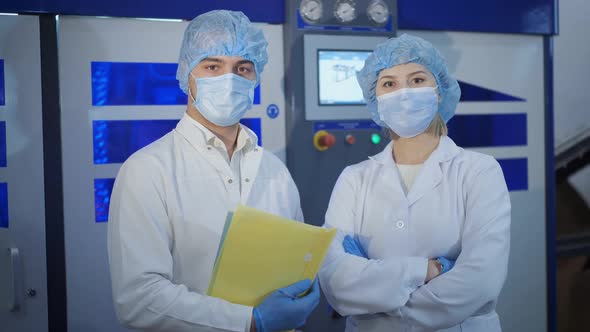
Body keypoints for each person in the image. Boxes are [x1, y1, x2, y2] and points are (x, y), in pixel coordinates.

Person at [108, 10, 319, 332]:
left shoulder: (274, 170)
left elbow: (293, 266)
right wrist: (251, 321)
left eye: (243, 68)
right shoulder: (148, 170)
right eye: (212, 66)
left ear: (255, 78)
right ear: (187, 75)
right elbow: (138, 300)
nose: (229, 78)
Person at [318, 34, 511, 331]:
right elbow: (336, 281)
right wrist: (427, 270)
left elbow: (480, 280)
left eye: (417, 80)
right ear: (376, 100)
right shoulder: (354, 179)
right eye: (389, 84)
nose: (403, 93)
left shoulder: (479, 172)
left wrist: (381, 309)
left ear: (438, 92)